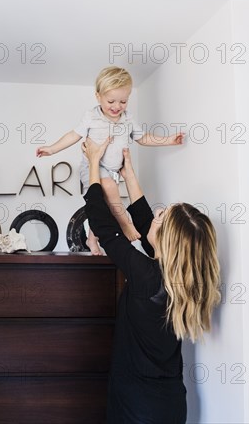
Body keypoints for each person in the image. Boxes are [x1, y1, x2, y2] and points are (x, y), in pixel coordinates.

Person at [82, 138, 221, 423]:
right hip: (169, 404)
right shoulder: (185, 279)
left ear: (166, 239)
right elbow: (147, 227)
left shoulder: (147, 275)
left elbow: (106, 229)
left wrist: (93, 164)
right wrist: (128, 174)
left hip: (136, 406)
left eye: (162, 216)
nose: (156, 216)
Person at [36, 66, 184, 255]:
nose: (117, 106)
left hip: (113, 173)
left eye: (123, 101)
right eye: (111, 101)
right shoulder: (91, 116)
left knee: (102, 207)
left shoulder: (127, 118)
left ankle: (91, 238)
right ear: (98, 96)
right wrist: (51, 149)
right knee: (110, 189)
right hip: (92, 167)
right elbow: (73, 135)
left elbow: (143, 138)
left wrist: (168, 140)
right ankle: (125, 223)